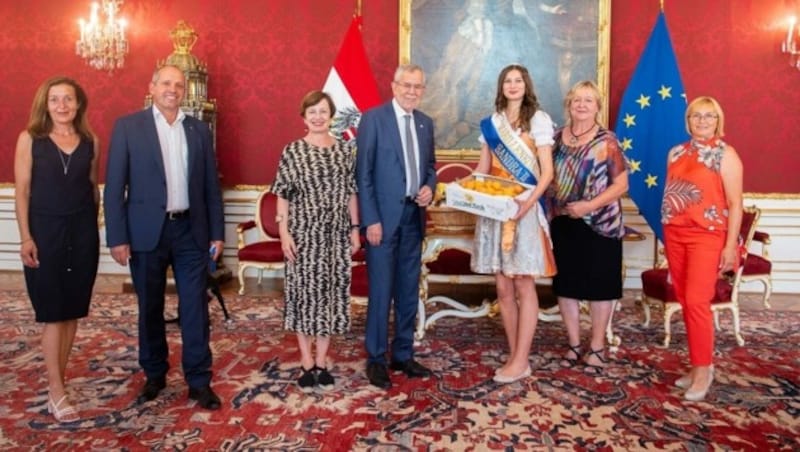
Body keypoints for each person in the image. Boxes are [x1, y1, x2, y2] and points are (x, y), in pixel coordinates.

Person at [104, 65, 225, 410]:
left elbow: (210, 188)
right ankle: (155, 374)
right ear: (152, 87)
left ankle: (199, 380)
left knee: (195, 308)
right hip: (145, 233)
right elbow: (115, 187)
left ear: (185, 90)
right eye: (166, 83)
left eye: (178, 84)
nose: (173, 89)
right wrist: (117, 237)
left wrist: (217, 232)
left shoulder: (199, 130)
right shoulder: (129, 127)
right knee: (150, 308)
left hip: (191, 232)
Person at [14, 76, 100, 422]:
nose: (62, 105)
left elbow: (93, 188)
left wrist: (93, 229)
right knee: (52, 312)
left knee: (72, 311)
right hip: (45, 233)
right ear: (45, 105)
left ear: (78, 104)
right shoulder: (30, 140)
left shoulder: (91, 141)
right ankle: (56, 390)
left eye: (69, 99)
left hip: (82, 233)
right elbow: (22, 191)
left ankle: (58, 385)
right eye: (55, 100)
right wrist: (25, 237)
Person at [471, 64, 556, 384]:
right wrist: (464, 190)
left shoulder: (539, 120)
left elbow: (546, 173)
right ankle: (515, 355)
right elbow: (483, 169)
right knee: (503, 286)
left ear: (526, 85)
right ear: (501, 86)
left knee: (523, 282)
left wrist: (526, 205)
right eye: (507, 80)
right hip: (496, 210)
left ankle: (522, 358)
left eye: (518, 80)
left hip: (525, 210)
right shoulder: (491, 124)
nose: (513, 85)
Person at [271, 91, 361, 392]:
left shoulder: (346, 151)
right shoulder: (292, 151)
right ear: (304, 117)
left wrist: (355, 230)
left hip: (335, 237)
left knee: (329, 300)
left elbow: (351, 194)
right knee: (303, 299)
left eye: (323, 111)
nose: (318, 117)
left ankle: (322, 362)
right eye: (313, 112)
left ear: (331, 115)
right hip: (302, 238)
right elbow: (282, 196)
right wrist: (284, 234)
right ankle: (306, 363)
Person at [356, 64, 436, 389]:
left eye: (418, 86)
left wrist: (430, 186)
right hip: (382, 222)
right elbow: (363, 174)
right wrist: (370, 219)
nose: (412, 91)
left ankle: (402, 354)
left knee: (407, 291)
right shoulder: (374, 119)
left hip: (413, 219)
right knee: (381, 292)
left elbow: (430, 166)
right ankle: (375, 359)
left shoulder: (425, 123)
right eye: (406, 85)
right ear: (394, 86)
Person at [661, 96, 743, 401]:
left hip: (707, 236)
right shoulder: (676, 153)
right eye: (697, 116)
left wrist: (730, 247)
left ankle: (704, 368)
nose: (703, 121)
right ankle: (696, 366)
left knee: (697, 301)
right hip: (675, 234)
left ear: (718, 120)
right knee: (685, 299)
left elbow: (735, 204)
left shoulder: (726, 154)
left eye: (709, 116)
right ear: (688, 120)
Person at [546, 80, 628, 372]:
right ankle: (573, 343)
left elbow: (621, 185)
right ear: (569, 105)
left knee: (599, 288)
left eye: (588, 101)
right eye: (576, 100)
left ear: (597, 107)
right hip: (563, 223)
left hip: (600, 225)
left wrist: (589, 207)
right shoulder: (555, 138)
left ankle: (597, 346)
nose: (581, 105)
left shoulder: (607, 141)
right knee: (566, 287)